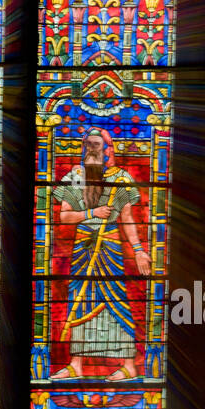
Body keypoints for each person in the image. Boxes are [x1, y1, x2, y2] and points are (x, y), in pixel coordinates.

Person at [50, 128, 149, 381]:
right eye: (88, 144)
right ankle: (76, 364)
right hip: (83, 250)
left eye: (96, 144)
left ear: (107, 150)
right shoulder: (74, 177)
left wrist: (138, 251)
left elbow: (127, 219)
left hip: (110, 249)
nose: (91, 149)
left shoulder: (121, 179)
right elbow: (64, 216)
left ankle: (128, 365)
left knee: (116, 301)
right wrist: (92, 214)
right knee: (79, 300)